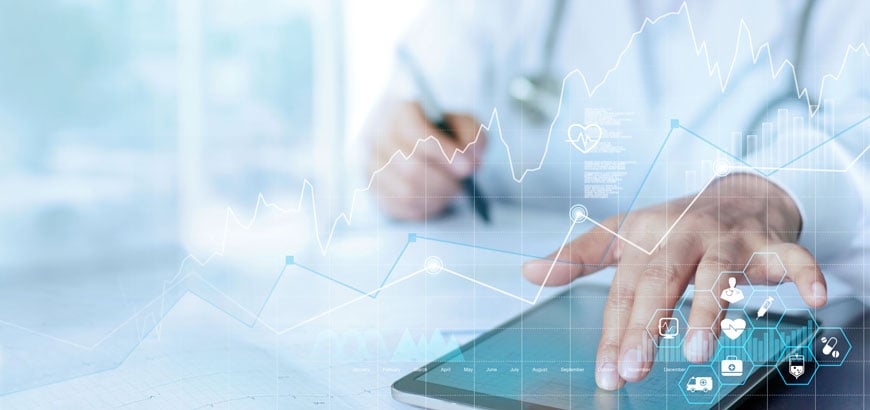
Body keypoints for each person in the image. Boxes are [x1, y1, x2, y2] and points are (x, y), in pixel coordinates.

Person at [362, 0, 869, 391]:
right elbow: (406, 121)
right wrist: (402, 168)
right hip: (498, 331)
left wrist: (757, 199)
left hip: (770, 336)